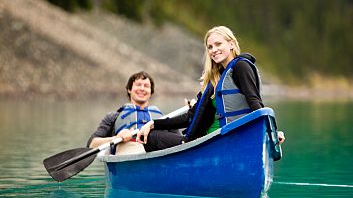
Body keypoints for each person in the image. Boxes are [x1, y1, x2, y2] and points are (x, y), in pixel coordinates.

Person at [137, 25, 285, 147]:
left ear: (231, 44)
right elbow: (190, 116)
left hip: (222, 140)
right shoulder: (215, 79)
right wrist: (153, 123)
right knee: (155, 130)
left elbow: (255, 102)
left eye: (218, 44)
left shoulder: (241, 67)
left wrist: (271, 131)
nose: (214, 50)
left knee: (152, 138)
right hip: (207, 140)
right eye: (210, 47)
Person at [87, 71, 184, 153]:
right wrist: (116, 138)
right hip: (128, 152)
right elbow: (92, 144)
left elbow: (181, 143)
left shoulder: (163, 119)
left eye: (146, 86)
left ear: (151, 92)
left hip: (159, 153)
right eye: (138, 85)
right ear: (129, 89)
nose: (142, 88)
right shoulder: (113, 117)